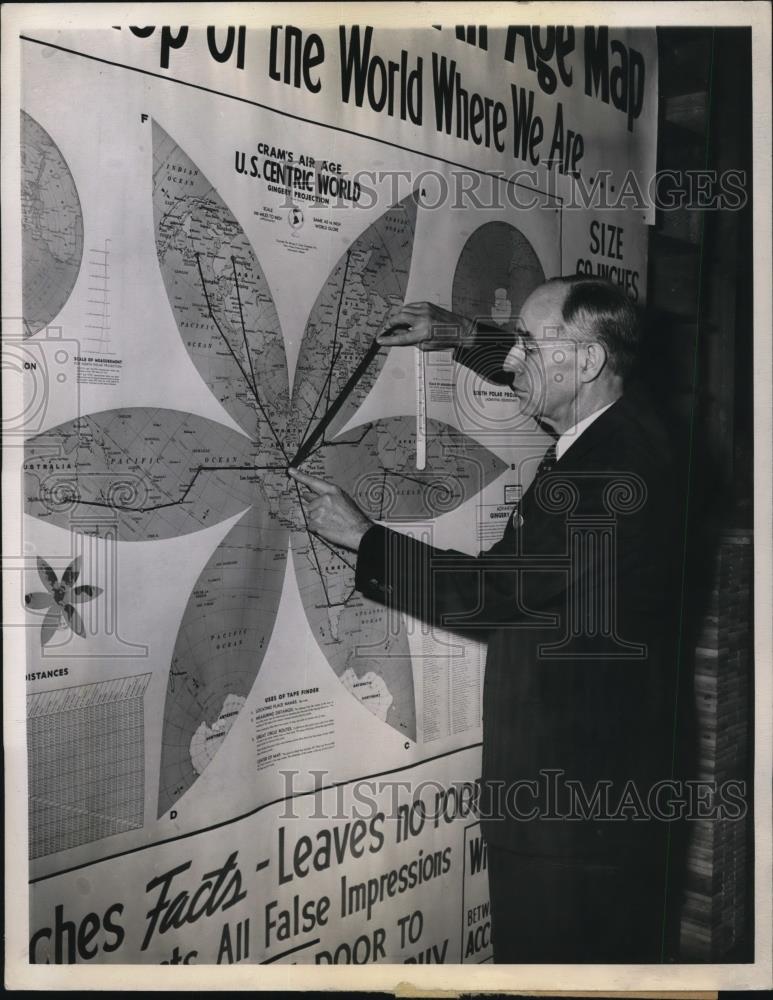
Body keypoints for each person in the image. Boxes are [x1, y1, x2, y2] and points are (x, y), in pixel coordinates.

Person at [289, 276, 683, 963]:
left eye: (527, 344)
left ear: (586, 363)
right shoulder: (626, 422)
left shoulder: (606, 475)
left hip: (569, 807)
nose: (513, 361)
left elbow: (499, 592)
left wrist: (365, 540)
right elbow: (547, 366)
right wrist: (462, 335)